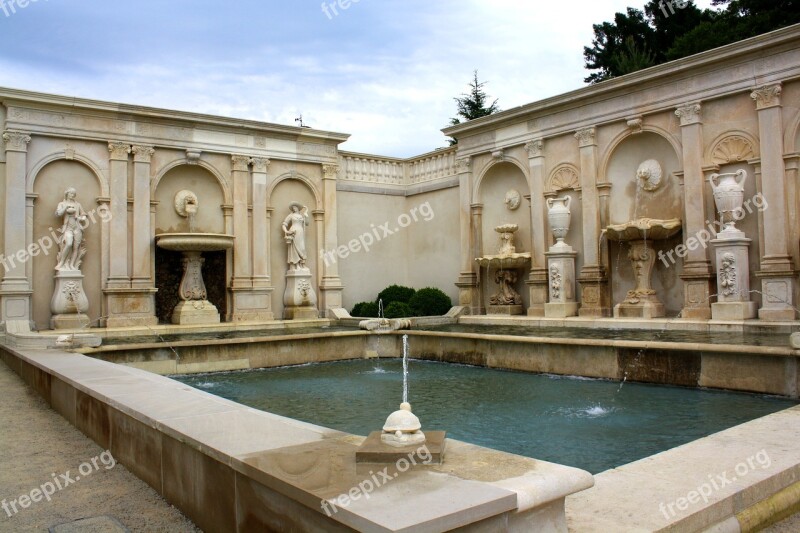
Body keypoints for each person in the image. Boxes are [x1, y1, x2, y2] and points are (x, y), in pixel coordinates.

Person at [55, 188, 88, 271]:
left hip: (77, 228)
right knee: (69, 244)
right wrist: (65, 207)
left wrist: (81, 218)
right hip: (68, 228)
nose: (72, 195)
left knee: (76, 248)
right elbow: (58, 214)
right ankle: (61, 263)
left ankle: (72, 265)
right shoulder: (62, 203)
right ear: (67, 194)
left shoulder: (78, 204)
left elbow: (84, 214)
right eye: (71, 193)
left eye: (74, 193)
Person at [282, 202, 309, 270]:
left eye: (295, 207)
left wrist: (306, 215)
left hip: (300, 232)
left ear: (298, 208)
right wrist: (286, 231)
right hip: (294, 232)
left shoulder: (302, 216)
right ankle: (296, 265)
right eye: (293, 207)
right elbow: (284, 224)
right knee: (295, 248)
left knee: (302, 248)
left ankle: (302, 264)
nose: (294, 208)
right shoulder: (291, 215)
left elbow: (307, 223)